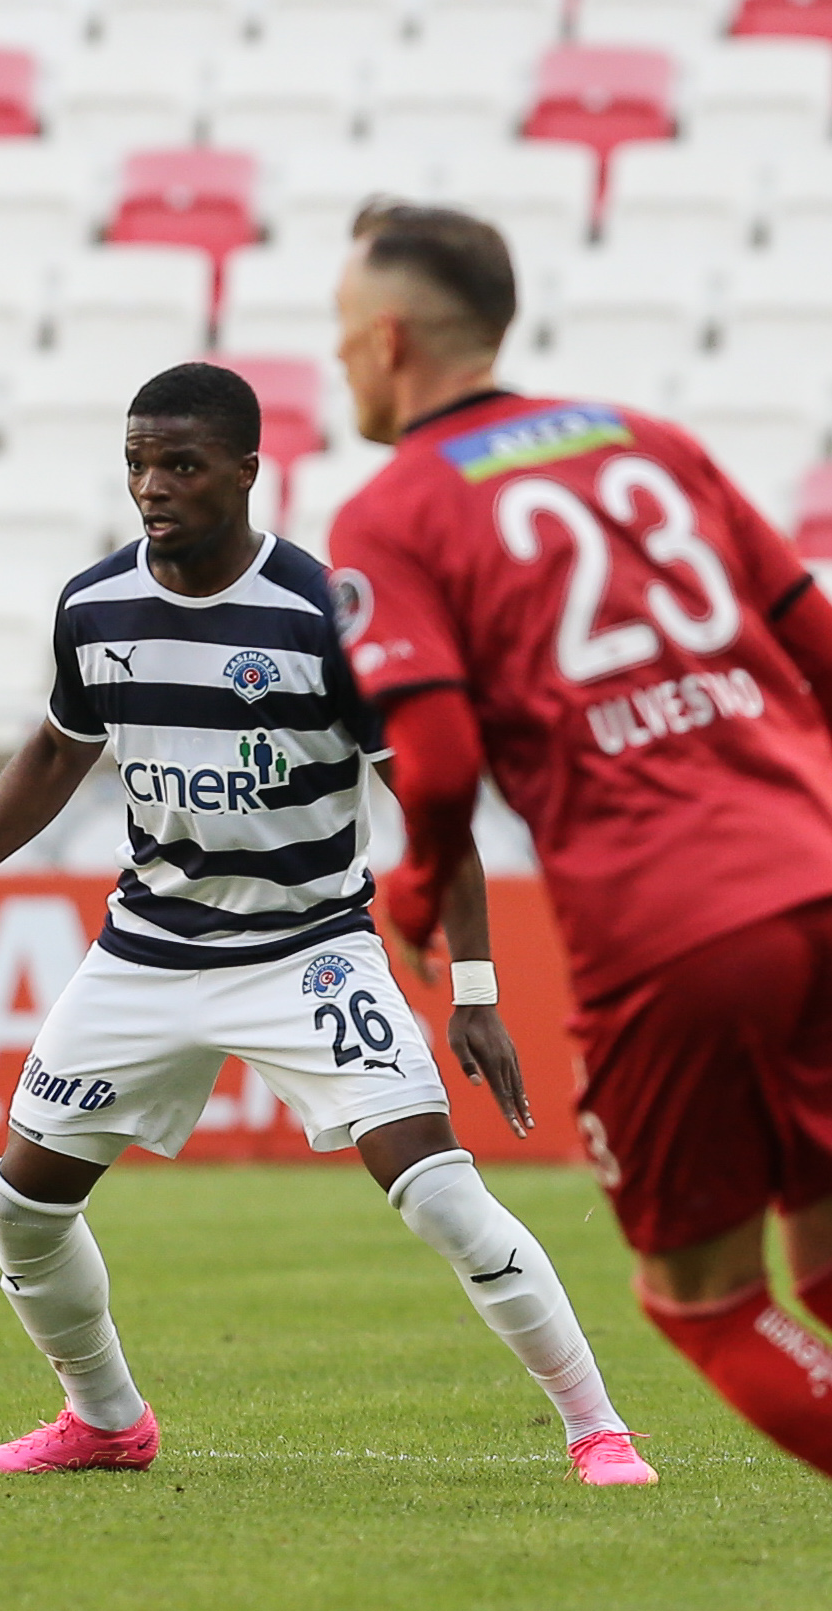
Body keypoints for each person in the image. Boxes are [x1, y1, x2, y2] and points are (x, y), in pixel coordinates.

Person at [0, 362, 652, 1484]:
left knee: (439, 1191)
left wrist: (475, 991)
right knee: (23, 1204)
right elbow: (55, 752)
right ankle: (106, 1420)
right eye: (137, 463)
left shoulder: (327, 618)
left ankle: (596, 1426)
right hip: (149, 950)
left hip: (309, 952)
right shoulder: (94, 607)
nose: (152, 486)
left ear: (245, 471)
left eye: (180, 464)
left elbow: (434, 806)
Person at [328, 200, 832, 1480]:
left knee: (708, 1299)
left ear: (389, 340)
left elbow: (440, 761)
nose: (337, 359)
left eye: (341, 332)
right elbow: (818, 645)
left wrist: (417, 887)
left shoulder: (394, 511)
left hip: (673, 923)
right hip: (818, 864)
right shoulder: (647, 440)